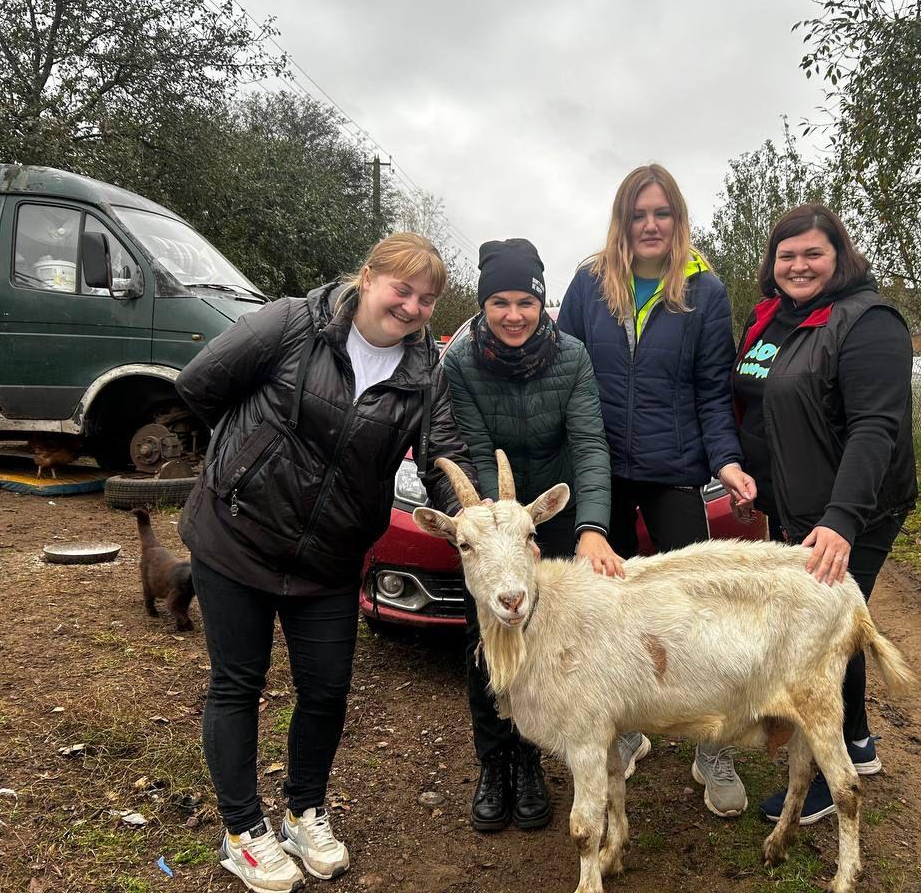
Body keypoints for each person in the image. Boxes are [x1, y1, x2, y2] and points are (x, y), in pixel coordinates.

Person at [175, 233, 474, 893]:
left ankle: (304, 809)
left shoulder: (427, 373)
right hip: (236, 536)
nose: (413, 306)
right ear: (368, 278)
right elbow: (200, 384)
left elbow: (442, 456)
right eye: (403, 288)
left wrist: (472, 516)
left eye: (427, 299)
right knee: (238, 684)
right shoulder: (291, 324)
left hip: (330, 559)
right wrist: (247, 460)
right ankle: (242, 831)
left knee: (328, 689)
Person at [558, 163, 758, 818]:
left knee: (696, 612)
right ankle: (627, 725)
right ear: (623, 220)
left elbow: (710, 392)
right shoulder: (590, 285)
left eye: (661, 213)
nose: (650, 224)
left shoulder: (705, 292)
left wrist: (726, 461)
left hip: (675, 470)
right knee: (605, 609)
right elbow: (566, 372)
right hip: (601, 468)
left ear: (677, 221)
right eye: (638, 213)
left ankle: (712, 745)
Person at [729, 203, 917, 826]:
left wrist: (839, 520)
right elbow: (760, 407)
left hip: (853, 508)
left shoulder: (868, 323)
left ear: (839, 257)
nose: (799, 265)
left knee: (821, 635)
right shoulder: (773, 321)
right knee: (838, 618)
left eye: (813, 253)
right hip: (797, 503)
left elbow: (875, 429)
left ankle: (818, 780)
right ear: (772, 263)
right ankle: (858, 742)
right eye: (787, 255)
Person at [442, 237, 623, 833]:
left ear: (542, 302)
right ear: (483, 305)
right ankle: (498, 762)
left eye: (526, 301)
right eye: (500, 302)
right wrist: (490, 527)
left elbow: (591, 444)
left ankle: (543, 755)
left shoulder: (571, 356)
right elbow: (465, 445)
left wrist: (593, 528)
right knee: (488, 636)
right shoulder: (460, 361)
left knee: (558, 643)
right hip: (493, 522)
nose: (514, 314)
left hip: (552, 509)